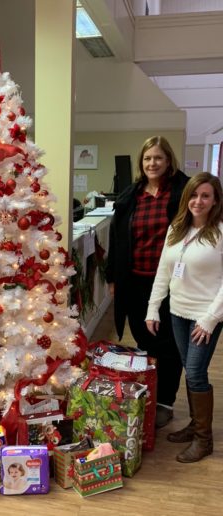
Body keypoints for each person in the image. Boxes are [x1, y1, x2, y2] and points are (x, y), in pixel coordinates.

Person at [105, 136, 189, 428]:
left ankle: (165, 402)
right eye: (147, 158)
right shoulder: (131, 195)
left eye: (158, 158)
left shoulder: (182, 192)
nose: (153, 163)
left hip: (170, 285)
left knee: (169, 345)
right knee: (143, 341)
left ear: (168, 161)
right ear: (141, 163)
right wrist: (113, 278)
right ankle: (148, 395)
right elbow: (117, 239)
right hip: (135, 282)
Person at [146, 172, 223, 463]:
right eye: (193, 194)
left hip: (205, 316)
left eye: (205, 196)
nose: (198, 201)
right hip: (177, 311)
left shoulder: (220, 232)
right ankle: (194, 425)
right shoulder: (177, 228)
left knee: (195, 372)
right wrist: (153, 308)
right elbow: (163, 271)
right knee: (190, 370)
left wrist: (211, 318)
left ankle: (204, 439)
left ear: (215, 200)